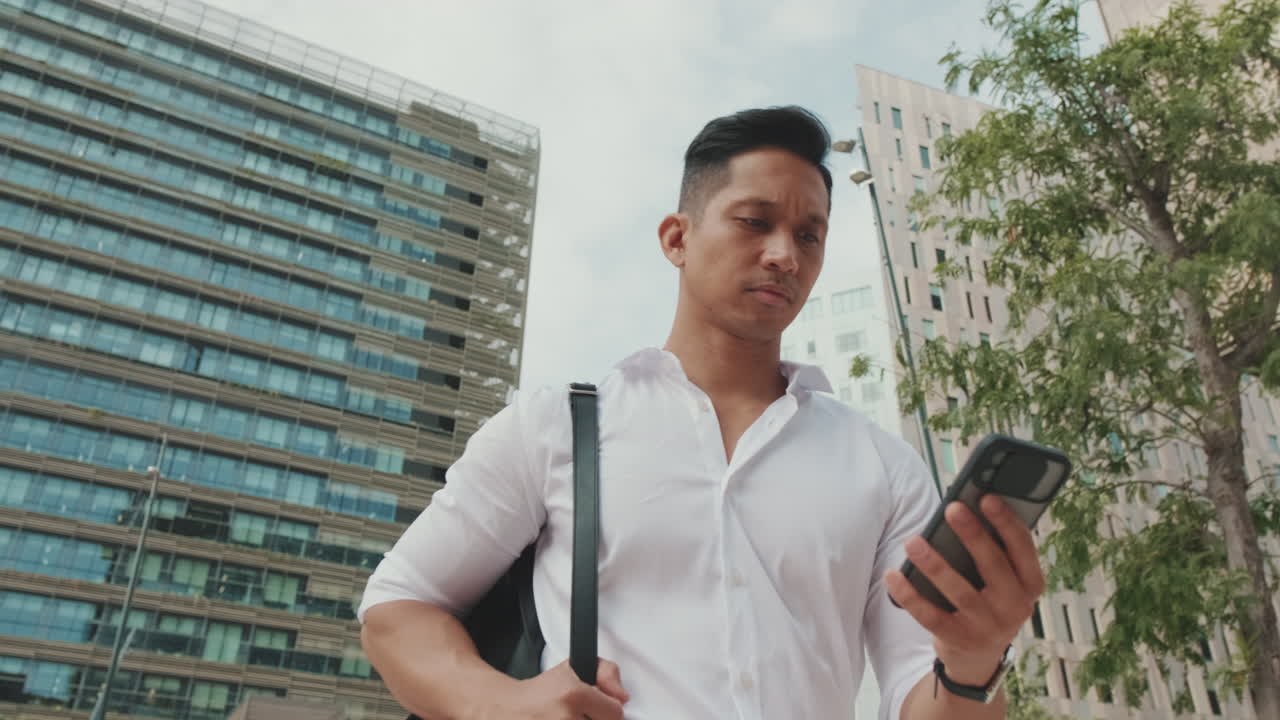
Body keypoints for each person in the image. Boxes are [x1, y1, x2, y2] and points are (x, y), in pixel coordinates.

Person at [359, 106, 1044, 720]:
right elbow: (398, 606)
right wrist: (500, 705)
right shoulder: (557, 427)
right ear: (677, 239)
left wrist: (973, 660)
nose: (784, 254)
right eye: (755, 222)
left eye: (810, 236)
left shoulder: (882, 465)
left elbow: (918, 704)